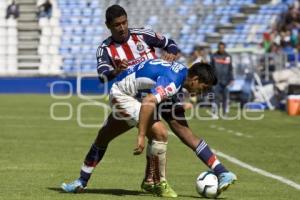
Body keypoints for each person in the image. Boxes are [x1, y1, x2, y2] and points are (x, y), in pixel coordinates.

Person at [62, 59, 237, 197]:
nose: (203, 93)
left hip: (138, 94)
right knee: (159, 133)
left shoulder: (182, 73)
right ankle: (156, 183)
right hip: (123, 96)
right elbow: (149, 102)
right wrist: (141, 135)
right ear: (195, 79)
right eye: (203, 88)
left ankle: (222, 172)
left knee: (183, 131)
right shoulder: (174, 81)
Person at [61, 4, 180, 197]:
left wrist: (171, 52)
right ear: (108, 25)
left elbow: (170, 43)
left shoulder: (142, 35)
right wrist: (116, 70)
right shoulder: (105, 49)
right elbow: (102, 75)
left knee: (155, 135)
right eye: (117, 24)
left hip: (151, 99)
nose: (122, 27)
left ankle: (155, 181)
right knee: (108, 137)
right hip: (128, 101)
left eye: (124, 22)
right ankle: (83, 181)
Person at [211, 42, 234, 115]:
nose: (221, 49)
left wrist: (232, 79)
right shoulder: (214, 56)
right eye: (219, 48)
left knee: (226, 98)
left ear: (224, 48)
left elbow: (230, 69)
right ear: (218, 48)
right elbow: (211, 68)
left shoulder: (228, 57)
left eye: (222, 48)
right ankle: (215, 113)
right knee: (215, 97)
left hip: (226, 80)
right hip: (216, 80)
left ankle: (225, 113)